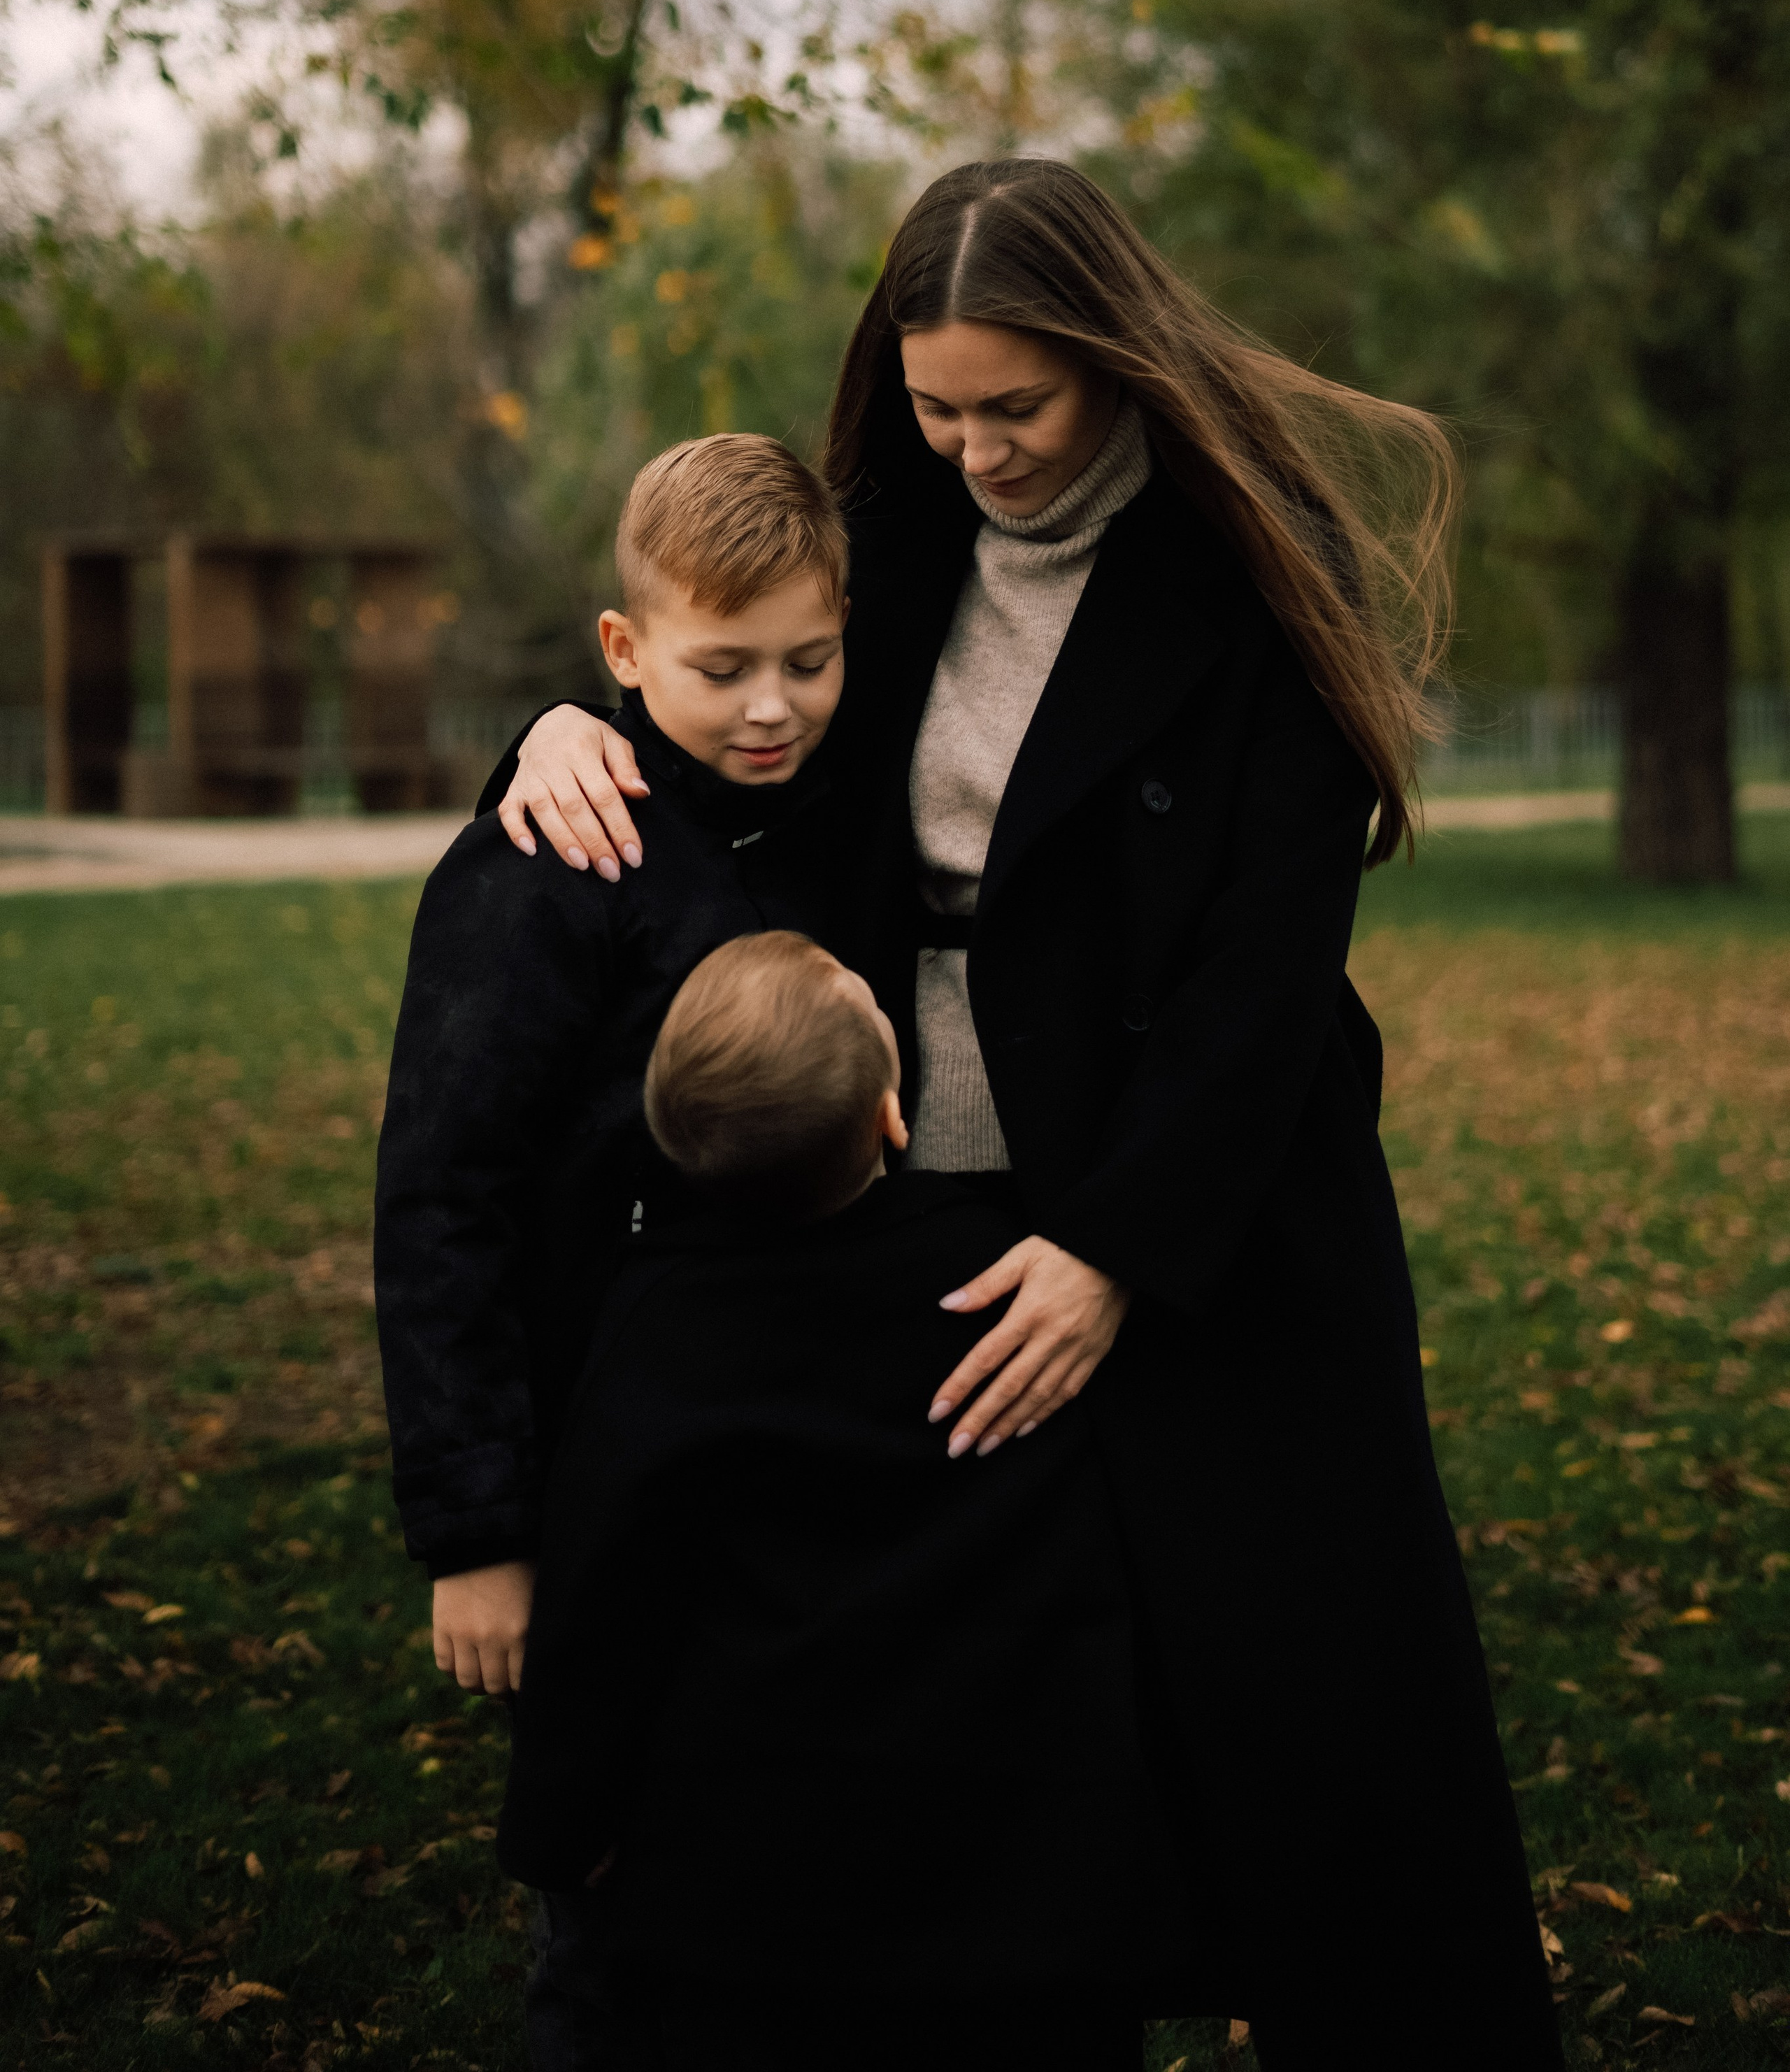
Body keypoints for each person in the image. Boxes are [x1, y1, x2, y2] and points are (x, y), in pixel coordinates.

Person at [489, 158, 1565, 2069]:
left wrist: (1121, 1249)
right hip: (903, 1198)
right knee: (994, 1748)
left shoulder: (1254, 566)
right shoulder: (888, 535)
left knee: (1312, 1737)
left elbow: (1266, 973)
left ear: (1113, 355)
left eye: (1016, 405)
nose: (974, 447)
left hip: (1215, 1215)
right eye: (934, 405)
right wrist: (566, 733)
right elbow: (731, 689)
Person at [501, 929, 1198, 2072]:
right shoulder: (1003, 1283)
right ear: (893, 1113)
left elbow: (602, 1590)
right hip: (1022, 1852)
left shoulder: (661, 1323)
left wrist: (561, 1820)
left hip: (763, 1877)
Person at [374, 434, 859, 2070]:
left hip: (799, 1452)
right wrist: (475, 1531)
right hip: (604, 1471)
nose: (772, 704)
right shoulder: (547, 860)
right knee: (611, 1883)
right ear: (623, 650)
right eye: (721, 669)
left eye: (810, 657)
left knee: (793, 1865)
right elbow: (442, 1197)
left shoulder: (830, 822)